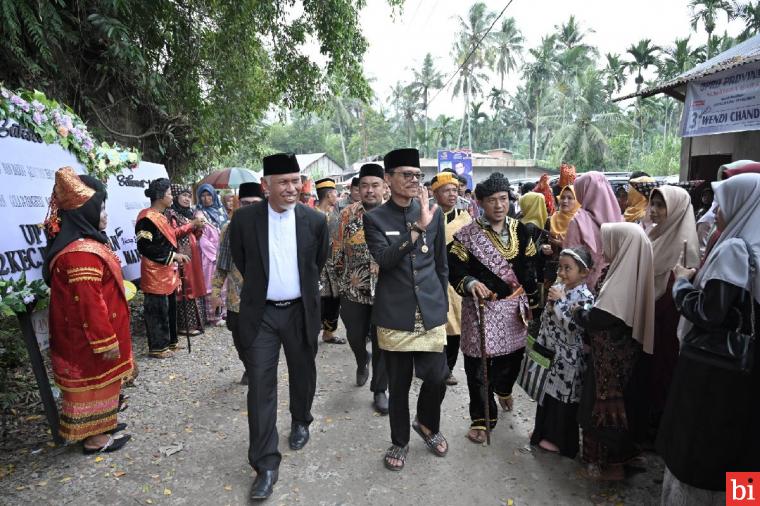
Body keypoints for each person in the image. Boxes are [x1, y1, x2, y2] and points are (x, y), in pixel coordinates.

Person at [229, 153, 329, 500]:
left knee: (303, 371)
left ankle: (301, 419)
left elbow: (318, 262)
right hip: (262, 316)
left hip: (301, 312)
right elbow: (242, 260)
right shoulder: (244, 221)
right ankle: (265, 463)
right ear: (266, 186)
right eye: (283, 182)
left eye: (296, 180)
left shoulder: (315, 221)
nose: (292, 188)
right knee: (259, 385)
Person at [658, 173, 760, 504]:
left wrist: (682, 283)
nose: (714, 211)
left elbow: (708, 313)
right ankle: (743, 499)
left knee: (702, 446)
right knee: (743, 447)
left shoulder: (734, 249)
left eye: (722, 203)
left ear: (742, 205)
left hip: (716, 372)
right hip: (746, 367)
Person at [364, 148, 450, 472]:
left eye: (417, 175)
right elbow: (384, 260)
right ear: (388, 179)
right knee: (398, 385)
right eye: (406, 174)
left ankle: (427, 423)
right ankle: (399, 441)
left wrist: (441, 304)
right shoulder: (374, 218)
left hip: (430, 309)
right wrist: (416, 229)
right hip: (395, 313)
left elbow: (441, 264)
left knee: (437, 376)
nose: (414, 180)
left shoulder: (435, 213)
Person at [43, 167, 134, 453]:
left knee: (105, 382)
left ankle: (103, 424)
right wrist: (105, 340)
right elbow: (89, 304)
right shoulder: (80, 253)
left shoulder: (86, 243)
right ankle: (94, 438)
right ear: (85, 212)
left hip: (95, 334)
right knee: (93, 384)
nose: (105, 214)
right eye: (102, 207)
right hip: (90, 340)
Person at [448, 172, 537, 444]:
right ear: (481, 203)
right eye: (492, 200)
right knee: (478, 366)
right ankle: (482, 419)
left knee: (513, 360)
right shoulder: (467, 235)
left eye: (503, 199)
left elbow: (529, 265)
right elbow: (455, 268)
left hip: (513, 310)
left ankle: (504, 388)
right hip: (481, 311)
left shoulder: (521, 230)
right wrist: (471, 282)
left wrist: (533, 296)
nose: (499, 205)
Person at [573, 222, 655, 481]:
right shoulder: (628, 270)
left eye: (609, 241)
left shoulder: (622, 278)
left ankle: (612, 466)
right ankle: (617, 461)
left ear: (623, 245)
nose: (603, 247)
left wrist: (577, 312)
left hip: (609, 364)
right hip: (616, 358)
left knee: (605, 411)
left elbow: (600, 317)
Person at [334, 163, 389, 414]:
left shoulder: (394, 214)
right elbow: (336, 248)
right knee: (355, 335)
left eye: (374, 185)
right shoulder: (347, 214)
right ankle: (360, 358)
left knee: (382, 342)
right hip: (353, 288)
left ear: (384, 187)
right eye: (364, 185)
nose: (369, 191)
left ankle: (379, 389)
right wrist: (336, 283)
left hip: (387, 290)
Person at [530, 247, 595, 458]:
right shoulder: (560, 287)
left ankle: (561, 441)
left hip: (569, 360)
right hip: (552, 353)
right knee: (547, 396)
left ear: (584, 272)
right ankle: (543, 433)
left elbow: (574, 327)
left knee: (563, 401)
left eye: (568, 268)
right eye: (561, 267)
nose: (562, 273)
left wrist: (559, 302)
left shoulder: (585, 297)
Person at [646, 186, 699, 436]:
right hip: (650, 319)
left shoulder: (684, 244)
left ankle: (659, 429)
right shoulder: (655, 235)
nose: (653, 211)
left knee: (662, 373)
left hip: (667, 324)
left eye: (660, 205)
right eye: (652, 204)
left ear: (676, 209)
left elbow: (679, 289)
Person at [136, 179, 204, 358]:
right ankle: (158, 347)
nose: (171, 197)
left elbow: (171, 237)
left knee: (170, 309)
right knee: (157, 311)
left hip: (168, 270)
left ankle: (170, 342)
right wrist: (174, 256)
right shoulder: (146, 217)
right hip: (155, 271)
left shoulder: (162, 215)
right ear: (160, 196)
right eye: (169, 193)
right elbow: (144, 247)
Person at [211, 181, 264, 386]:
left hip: (266, 298)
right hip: (237, 299)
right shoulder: (229, 228)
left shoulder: (272, 227)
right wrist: (215, 291)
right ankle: (249, 366)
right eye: (245, 203)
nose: (249, 207)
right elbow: (222, 264)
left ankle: (259, 372)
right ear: (238, 204)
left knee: (262, 341)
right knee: (240, 339)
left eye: (254, 202)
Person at [430, 172, 472, 386]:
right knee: (435, 325)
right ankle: (434, 366)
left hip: (455, 282)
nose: (452, 194)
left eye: (455, 190)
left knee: (455, 328)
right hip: (432, 280)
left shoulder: (466, 219)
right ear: (435, 193)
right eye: (447, 190)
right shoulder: (426, 216)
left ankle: (448, 369)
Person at [564, 171, 623, 292]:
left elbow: (568, 258)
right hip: (613, 285)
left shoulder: (578, 221)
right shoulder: (620, 220)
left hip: (584, 289)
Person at [165, 184, 206, 336]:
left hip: (193, 255)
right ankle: (184, 326)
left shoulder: (189, 213)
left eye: (189, 196)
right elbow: (172, 234)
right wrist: (192, 225)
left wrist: (199, 227)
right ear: (175, 197)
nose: (187, 198)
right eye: (183, 195)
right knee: (185, 286)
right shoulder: (171, 213)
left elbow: (195, 236)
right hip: (180, 255)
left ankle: (197, 322)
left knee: (195, 284)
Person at [314, 177, 345, 344]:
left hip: (335, 265)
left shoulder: (336, 215)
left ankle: (329, 333)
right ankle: (311, 333)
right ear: (328, 195)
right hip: (318, 266)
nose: (337, 196)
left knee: (334, 300)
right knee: (318, 300)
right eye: (335, 193)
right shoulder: (312, 215)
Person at [196, 183, 228, 326]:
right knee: (211, 284)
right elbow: (202, 239)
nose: (206, 198)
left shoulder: (221, 211)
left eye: (209, 195)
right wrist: (215, 256)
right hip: (210, 257)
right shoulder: (199, 214)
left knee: (224, 283)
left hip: (224, 253)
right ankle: (214, 315)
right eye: (202, 195)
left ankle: (224, 312)